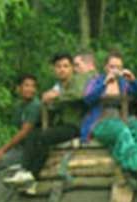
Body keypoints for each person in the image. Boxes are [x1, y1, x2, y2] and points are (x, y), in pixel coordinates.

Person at [81, 52, 137, 191]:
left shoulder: (124, 83)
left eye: (119, 67)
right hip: (101, 121)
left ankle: (136, 162)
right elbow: (87, 99)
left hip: (124, 118)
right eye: (112, 66)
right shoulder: (96, 81)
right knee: (122, 131)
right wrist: (104, 84)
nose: (115, 70)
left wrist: (133, 80)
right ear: (106, 67)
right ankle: (134, 170)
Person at [16, 52, 88, 188]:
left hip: (74, 126)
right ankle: (24, 170)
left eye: (65, 66)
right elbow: (53, 105)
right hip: (60, 125)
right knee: (33, 134)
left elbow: (79, 94)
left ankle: (32, 176)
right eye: (58, 66)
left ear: (72, 68)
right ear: (54, 69)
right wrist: (48, 101)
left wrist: (56, 96)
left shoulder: (78, 81)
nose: (62, 69)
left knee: (44, 136)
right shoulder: (58, 86)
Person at [0, 74, 42, 192]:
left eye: (33, 86)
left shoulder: (35, 106)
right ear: (18, 88)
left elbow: (24, 132)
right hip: (19, 148)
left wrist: (2, 150)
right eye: (26, 86)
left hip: (28, 150)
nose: (30, 89)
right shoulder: (20, 106)